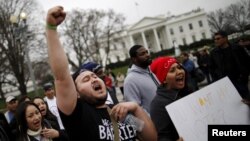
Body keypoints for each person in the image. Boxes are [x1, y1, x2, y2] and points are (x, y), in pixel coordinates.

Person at [45, 6, 157, 141]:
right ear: (77, 94)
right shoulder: (78, 114)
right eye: (85, 79)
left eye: (94, 76)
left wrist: (135, 108)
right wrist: (51, 28)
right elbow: (62, 77)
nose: (93, 79)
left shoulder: (119, 112)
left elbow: (151, 138)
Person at [150, 56, 188, 141]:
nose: (179, 72)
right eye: (172, 70)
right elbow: (163, 137)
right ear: (164, 80)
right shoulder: (158, 104)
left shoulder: (183, 92)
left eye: (179, 67)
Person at [210, 31, 250, 100]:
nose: (216, 41)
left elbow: (247, 61)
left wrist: (244, 75)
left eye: (218, 38)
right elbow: (212, 68)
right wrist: (217, 81)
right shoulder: (214, 53)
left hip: (240, 81)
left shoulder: (237, 48)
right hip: (225, 83)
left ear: (225, 38)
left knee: (246, 101)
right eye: (215, 39)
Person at [124, 45, 160, 113]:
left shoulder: (150, 71)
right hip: (153, 122)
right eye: (142, 54)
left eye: (147, 52)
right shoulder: (130, 81)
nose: (147, 55)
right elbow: (135, 109)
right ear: (134, 59)